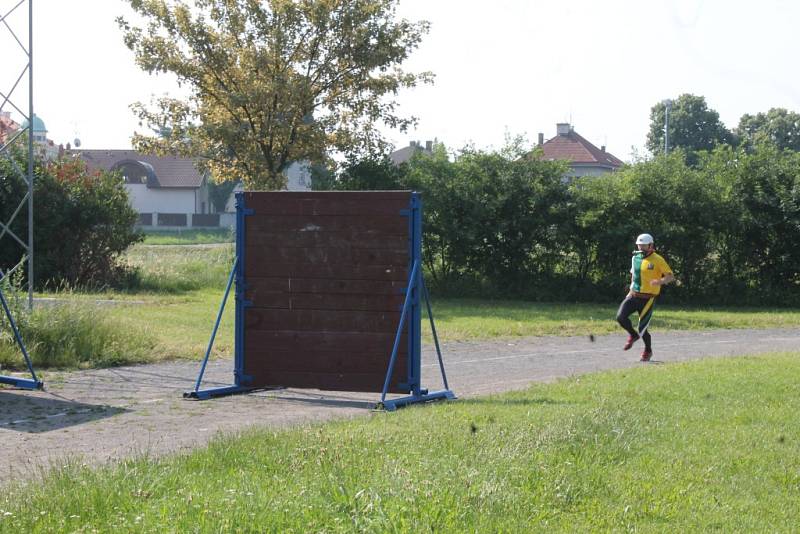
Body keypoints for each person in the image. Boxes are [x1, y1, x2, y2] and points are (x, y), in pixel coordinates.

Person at [616, 233, 675, 362]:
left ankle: (648, 350)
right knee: (620, 317)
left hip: (648, 298)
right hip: (634, 295)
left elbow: (670, 276)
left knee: (642, 328)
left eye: (643, 245)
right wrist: (631, 290)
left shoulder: (658, 259)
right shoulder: (635, 258)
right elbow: (633, 275)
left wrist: (659, 282)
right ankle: (633, 335)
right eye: (639, 245)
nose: (641, 248)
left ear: (651, 245)